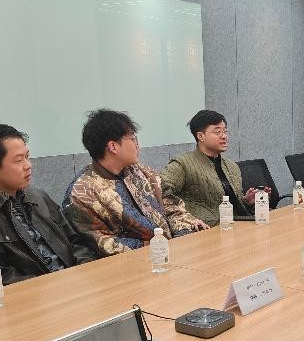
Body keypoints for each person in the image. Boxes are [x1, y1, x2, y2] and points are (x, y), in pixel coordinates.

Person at [0, 124, 96, 291]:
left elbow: (75, 242)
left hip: (75, 286)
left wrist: (84, 271)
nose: (28, 165)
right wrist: (54, 287)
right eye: (19, 160)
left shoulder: (38, 197)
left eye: (27, 156)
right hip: (36, 297)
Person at [63, 109, 208, 256]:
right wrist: (160, 246)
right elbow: (103, 244)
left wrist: (184, 232)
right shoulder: (81, 193)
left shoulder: (140, 171)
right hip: (136, 262)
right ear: (113, 146)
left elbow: (172, 207)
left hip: (171, 253)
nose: (137, 145)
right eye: (133, 139)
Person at [161, 110, 270, 227]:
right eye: (217, 132)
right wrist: (186, 219)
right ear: (200, 136)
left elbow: (230, 206)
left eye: (225, 131)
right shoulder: (183, 164)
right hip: (207, 230)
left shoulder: (231, 166)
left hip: (236, 226)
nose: (224, 136)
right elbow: (158, 190)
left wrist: (246, 201)